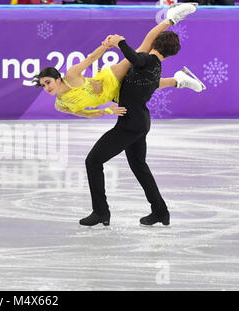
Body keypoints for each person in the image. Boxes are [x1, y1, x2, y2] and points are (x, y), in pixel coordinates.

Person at [80, 28, 202, 227]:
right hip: (139, 122)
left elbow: (136, 58)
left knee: (93, 161)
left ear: (154, 44)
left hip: (130, 125)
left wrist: (120, 41)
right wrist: (177, 81)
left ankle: (101, 212)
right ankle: (160, 211)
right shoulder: (156, 69)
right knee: (139, 166)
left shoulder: (147, 61)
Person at [33, 3, 204, 120]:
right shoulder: (60, 106)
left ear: (57, 78)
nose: (47, 88)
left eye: (47, 82)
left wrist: (105, 46)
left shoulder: (71, 75)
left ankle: (171, 18)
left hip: (110, 78)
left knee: (144, 48)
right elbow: (85, 114)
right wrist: (106, 111)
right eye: (43, 86)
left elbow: (91, 58)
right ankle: (179, 80)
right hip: (114, 96)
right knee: (148, 84)